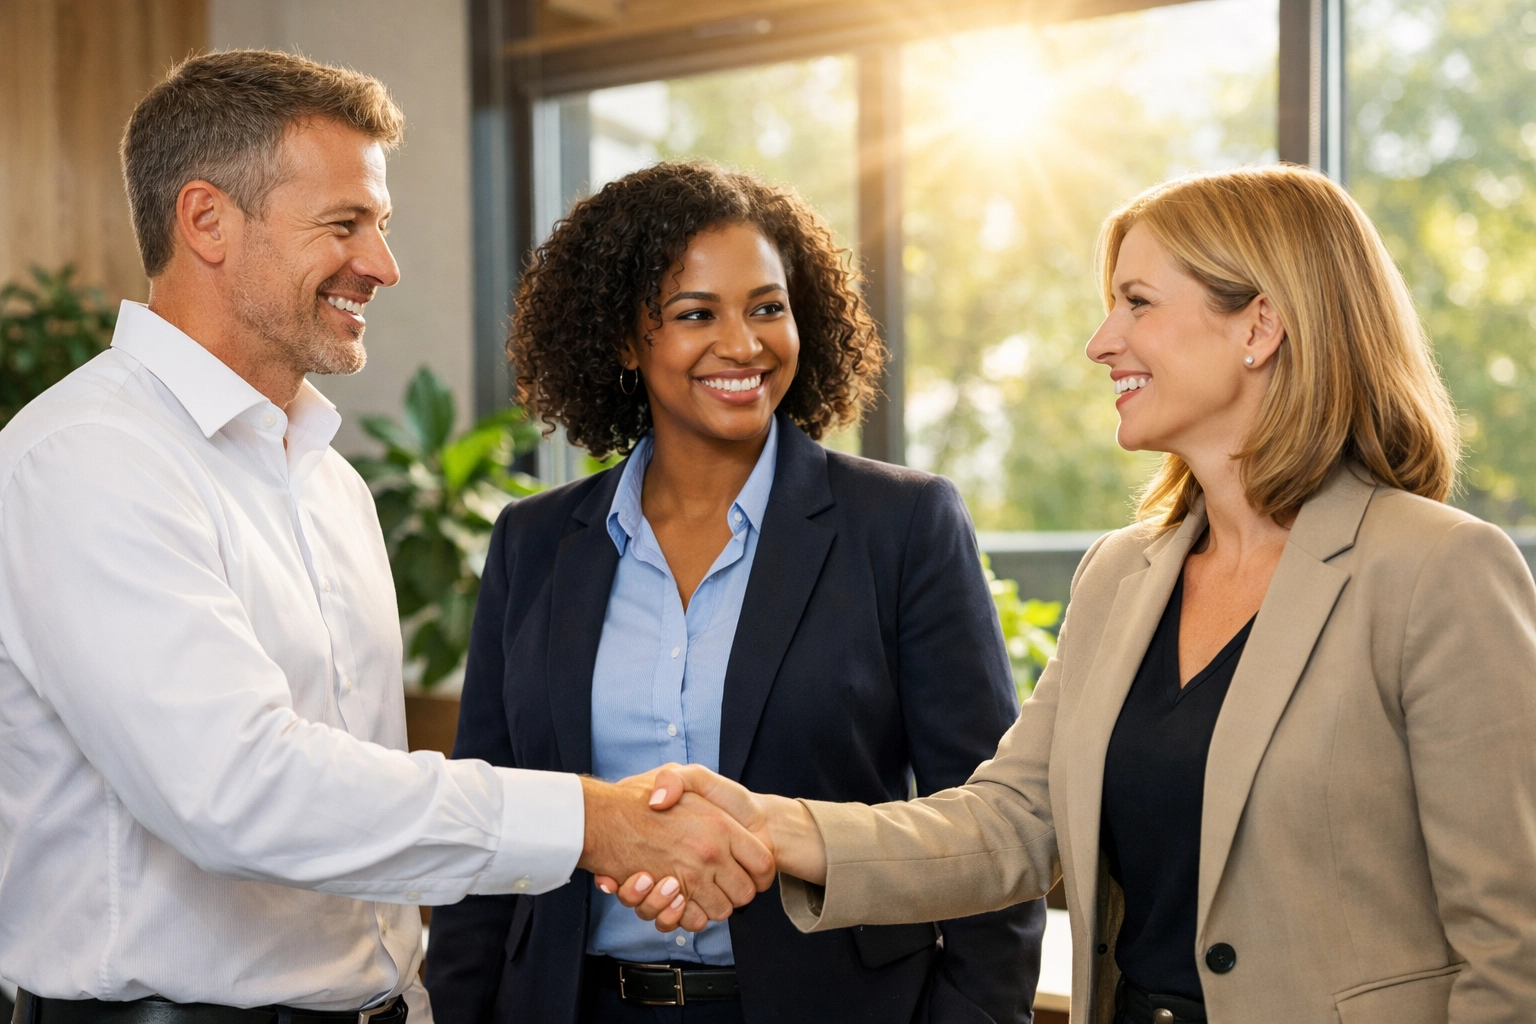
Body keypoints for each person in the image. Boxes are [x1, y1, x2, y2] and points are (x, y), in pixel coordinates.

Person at [608, 165, 1536, 1023]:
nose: (1102, 343)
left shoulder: (1439, 571)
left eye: (1137, 303)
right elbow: (1013, 822)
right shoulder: (1120, 577)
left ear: (1260, 326)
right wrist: (772, 825)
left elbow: (1514, 945)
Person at [0, 51, 771, 1024]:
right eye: (345, 224)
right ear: (207, 221)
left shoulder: (327, 479)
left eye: (383, 225)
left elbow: (361, 837)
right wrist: (595, 823)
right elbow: (239, 789)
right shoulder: (87, 460)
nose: (383, 264)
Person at [423, 162, 1045, 1024]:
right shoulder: (534, 543)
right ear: (621, 340)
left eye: (766, 307)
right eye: (694, 314)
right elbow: (487, 823)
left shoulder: (900, 525)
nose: (744, 344)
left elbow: (986, 833)